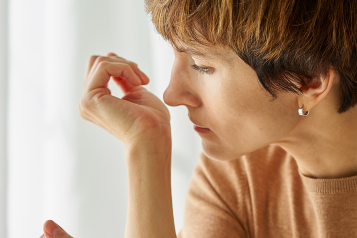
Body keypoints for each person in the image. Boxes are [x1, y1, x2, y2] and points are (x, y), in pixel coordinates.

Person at [40, 0, 357, 237]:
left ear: (309, 80)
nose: (171, 95)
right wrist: (146, 145)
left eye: (202, 65)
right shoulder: (236, 176)